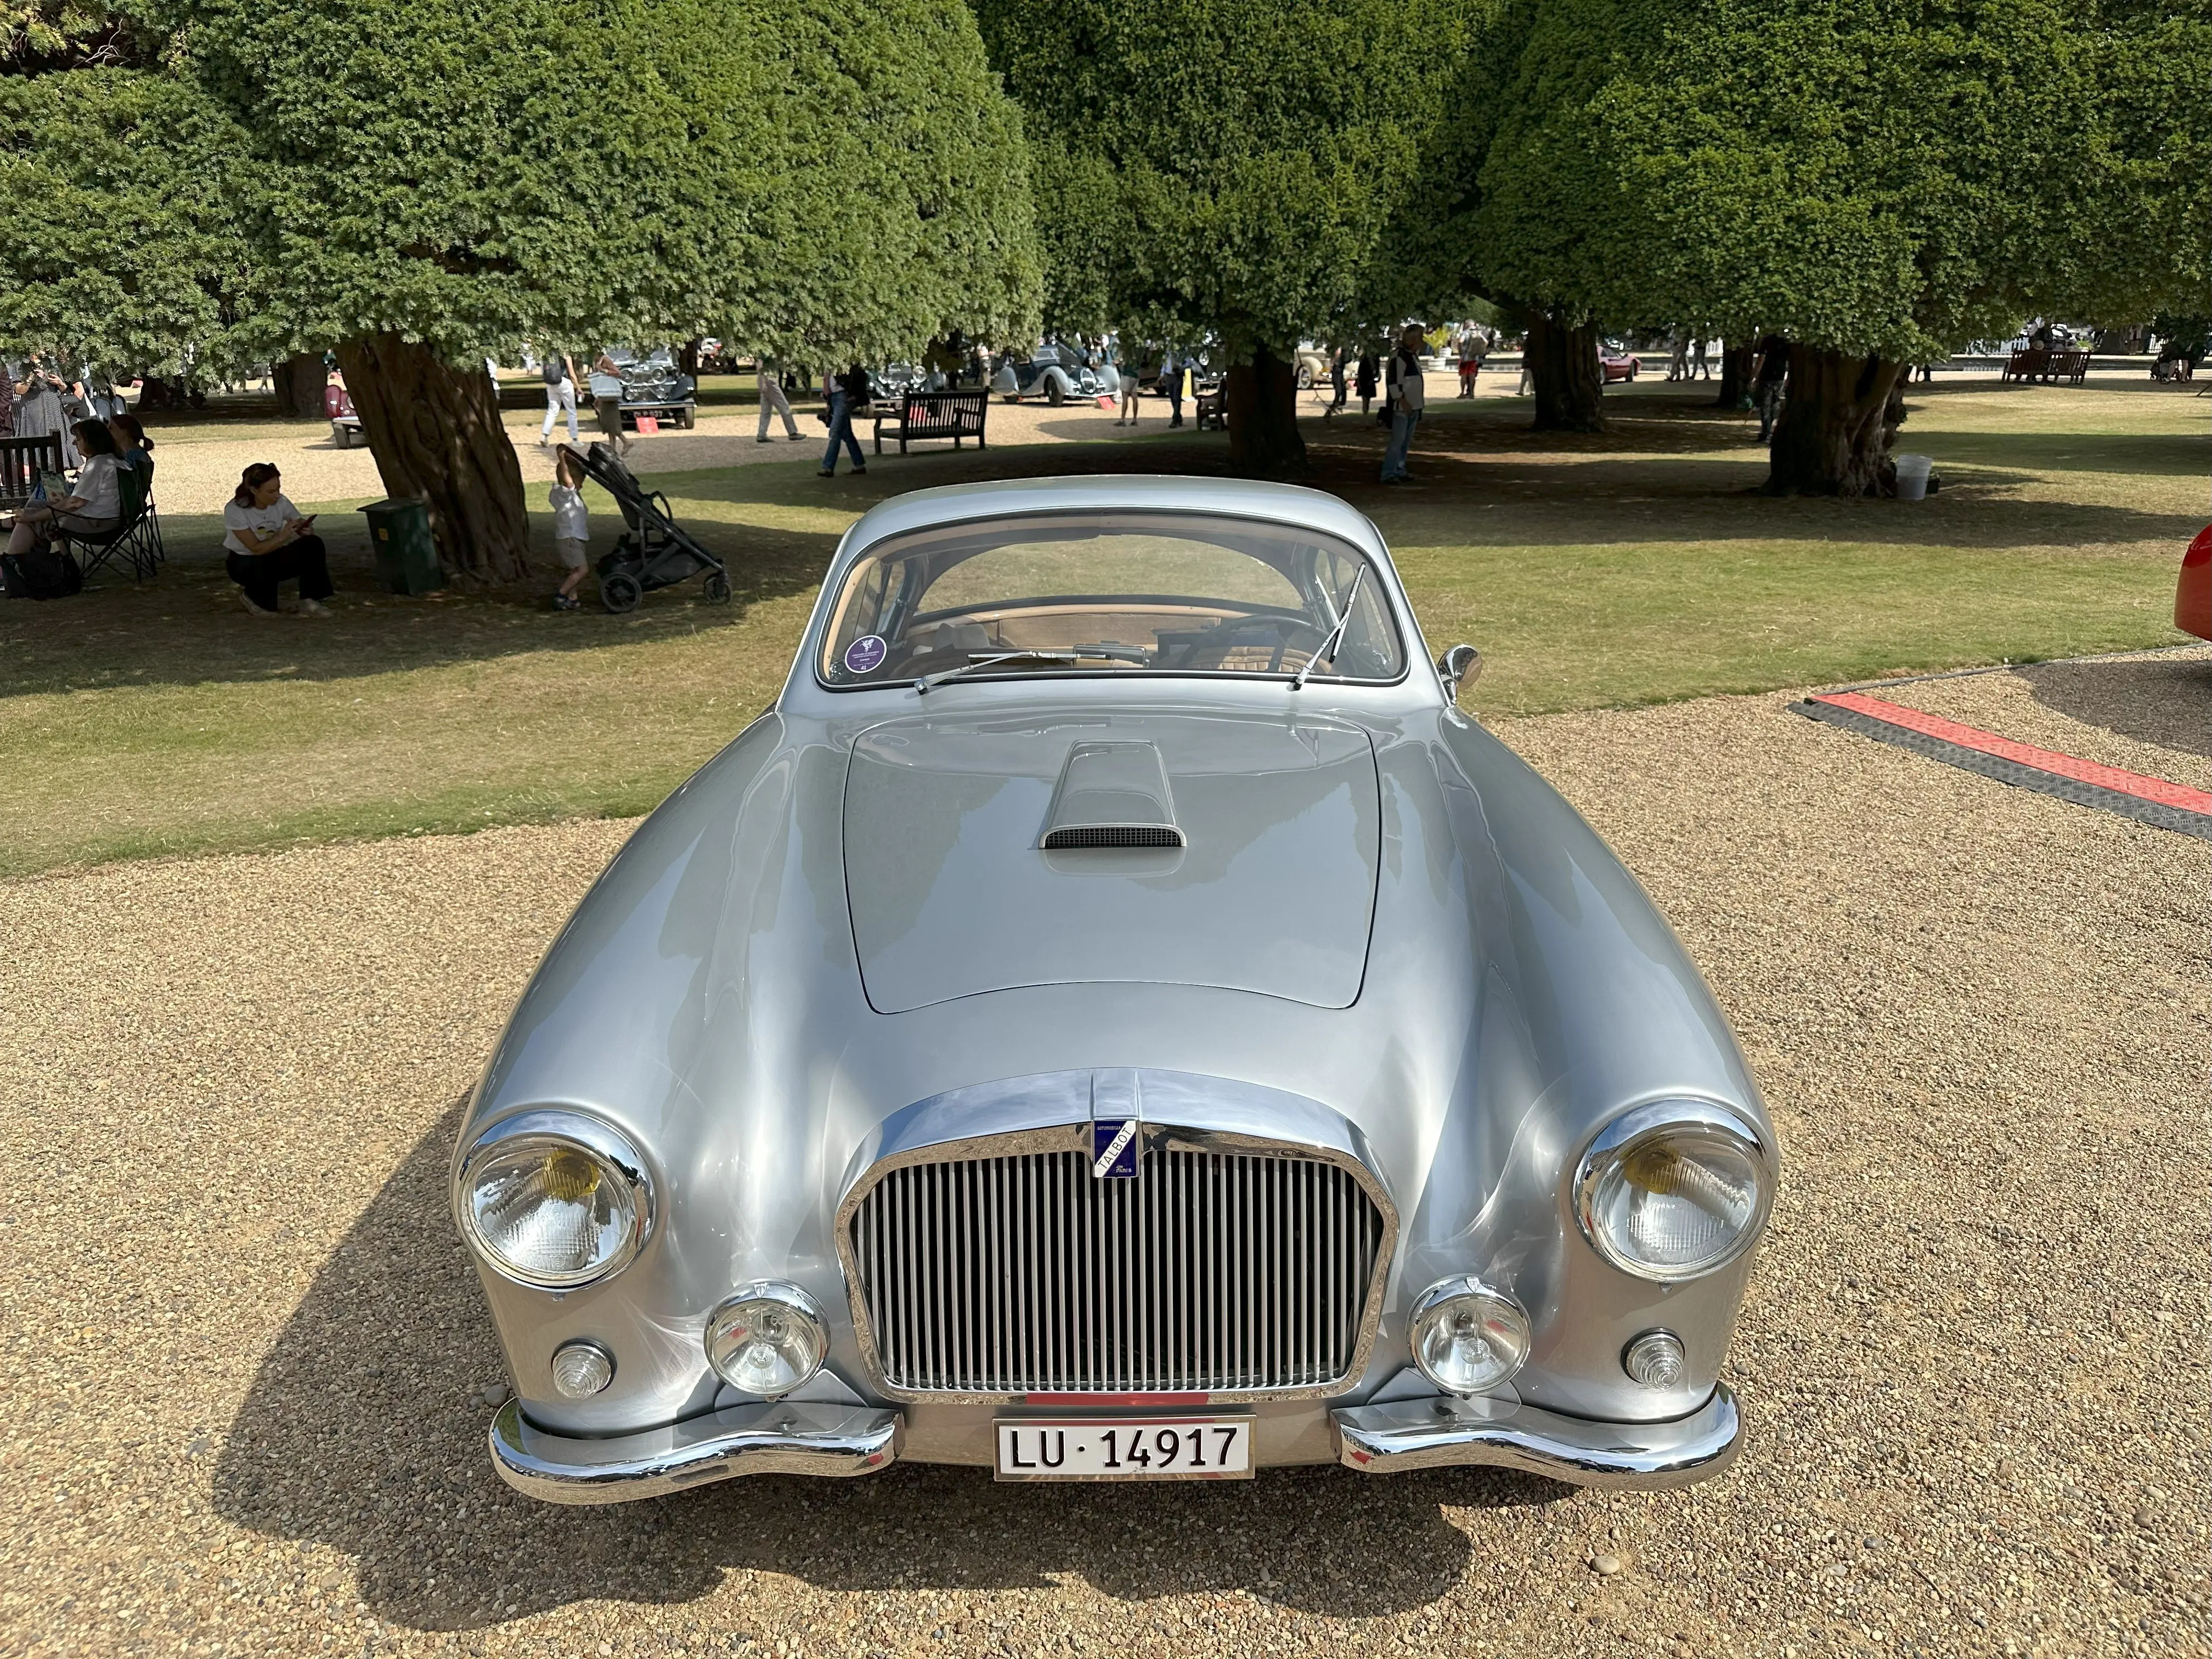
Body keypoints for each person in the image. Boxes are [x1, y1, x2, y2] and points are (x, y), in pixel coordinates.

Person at [3, 420, 121, 572]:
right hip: (108, 520)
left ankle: (8, 566)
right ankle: (65, 561)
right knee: (40, 506)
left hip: (97, 524)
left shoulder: (97, 464)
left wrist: (32, 518)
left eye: (78, 439)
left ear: (91, 440)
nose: (74, 443)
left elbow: (74, 504)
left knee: (34, 516)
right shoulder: (114, 460)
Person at [222, 462, 333, 617]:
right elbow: (255, 548)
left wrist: (305, 529)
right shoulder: (235, 510)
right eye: (271, 492)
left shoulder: (281, 502)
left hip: (272, 554)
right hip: (245, 562)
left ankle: (310, 599)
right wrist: (283, 536)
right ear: (255, 490)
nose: (277, 495)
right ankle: (253, 597)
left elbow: (297, 520)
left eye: (278, 490)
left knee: (313, 543)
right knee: (268, 607)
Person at [1381, 326, 1426, 484]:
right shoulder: (1399, 356)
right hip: (1402, 406)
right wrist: (1402, 400)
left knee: (1405, 441)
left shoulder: (1412, 356)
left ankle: (1400, 469)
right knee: (1397, 441)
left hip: (1414, 405)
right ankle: (1389, 473)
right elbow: (1393, 381)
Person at [548, 445, 591, 611]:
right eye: (580, 481)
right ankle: (561, 594)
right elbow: (568, 481)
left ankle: (573, 599)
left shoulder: (569, 496)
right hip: (570, 538)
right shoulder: (565, 493)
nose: (582, 486)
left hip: (574, 537)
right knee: (582, 569)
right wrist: (562, 459)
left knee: (574, 570)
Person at [11, 357, 77, 464]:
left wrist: (59, 383)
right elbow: (19, 390)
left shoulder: (52, 362)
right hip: (33, 411)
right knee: (36, 451)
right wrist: (30, 378)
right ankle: (38, 476)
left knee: (58, 448)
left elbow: (64, 389)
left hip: (54, 408)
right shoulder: (22, 363)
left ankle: (59, 476)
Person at [819, 363, 868, 477]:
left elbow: (858, 375)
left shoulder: (844, 361)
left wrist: (854, 395)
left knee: (835, 431)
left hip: (842, 396)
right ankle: (859, 464)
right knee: (846, 434)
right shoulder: (830, 361)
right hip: (834, 397)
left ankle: (828, 467)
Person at [588, 352, 629, 454]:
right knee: (608, 424)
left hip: (609, 397)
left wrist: (603, 370)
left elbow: (618, 373)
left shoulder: (605, 360)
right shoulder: (601, 361)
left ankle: (625, 442)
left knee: (611, 423)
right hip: (605, 397)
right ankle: (613, 449)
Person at [1752, 335, 1790, 444]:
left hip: (1766, 377)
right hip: (1779, 377)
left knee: (1766, 405)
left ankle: (1766, 432)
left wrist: (1754, 377)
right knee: (1774, 403)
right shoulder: (1785, 341)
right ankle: (1768, 430)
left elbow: (1761, 360)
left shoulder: (1767, 341)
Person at [755, 356, 802, 443]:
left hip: (767, 380)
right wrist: (764, 382)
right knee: (784, 407)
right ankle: (792, 433)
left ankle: (761, 434)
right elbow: (760, 365)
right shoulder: (766, 352)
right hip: (769, 381)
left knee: (766, 410)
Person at [538, 349, 580, 447]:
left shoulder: (547, 354)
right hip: (564, 382)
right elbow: (571, 372)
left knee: (552, 410)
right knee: (571, 411)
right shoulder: (566, 353)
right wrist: (578, 387)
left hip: (551, 383)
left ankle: (545, 435)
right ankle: (575, 439)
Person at [106, 411, 154, 487]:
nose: (107, 431)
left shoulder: (131, 457)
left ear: (124, 432)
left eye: (111, 428)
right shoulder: (138, 454)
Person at [1158, 348, 1184, 428]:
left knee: (1177, 398)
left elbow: (1189, 362)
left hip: (1177, 375)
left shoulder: (1182, 352)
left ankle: (1175, 419)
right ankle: (1178, 417)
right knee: (1172, 398)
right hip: (1169, 376)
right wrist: (1162, 375)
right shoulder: (1168, 351)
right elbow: (1165, 363)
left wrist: (1180, 366)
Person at [1116, 357, 1141, 426]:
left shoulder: (1128, 352)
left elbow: (1123, 362)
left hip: (1128, 375)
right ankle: (1135, 419)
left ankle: (1122, 419)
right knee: (1134, 397)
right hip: (1136, 375)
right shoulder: (1139, 351)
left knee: (1125, 397)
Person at [1457, 330, 1482, 397]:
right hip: (1474, 358)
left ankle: (1462, 393)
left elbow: (1461, 341)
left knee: (1464, 374)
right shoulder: (1478, 333)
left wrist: (1461, 352)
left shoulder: (1465, 333)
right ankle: (1472, 393)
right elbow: (1485, 342)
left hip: (1465, 357)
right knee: (1472, 375)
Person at [1355, 348, 1379, 416]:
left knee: (1367, 399)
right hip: (1365, 379)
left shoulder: (1370, 358)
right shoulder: (1366, 358)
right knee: (1366, 399)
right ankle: (1365, 412)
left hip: (1368, 379)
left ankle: (1365, 412)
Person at [1327, 346, 1348, 417]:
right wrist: (1332, 365)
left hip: (1339, 370)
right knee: (1339, 391)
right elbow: (1337, 354)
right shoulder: (1339, 348)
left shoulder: (1344, 348)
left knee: (1342, 389)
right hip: (1337, 370)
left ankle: (1339, 405)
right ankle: (1334, 407)